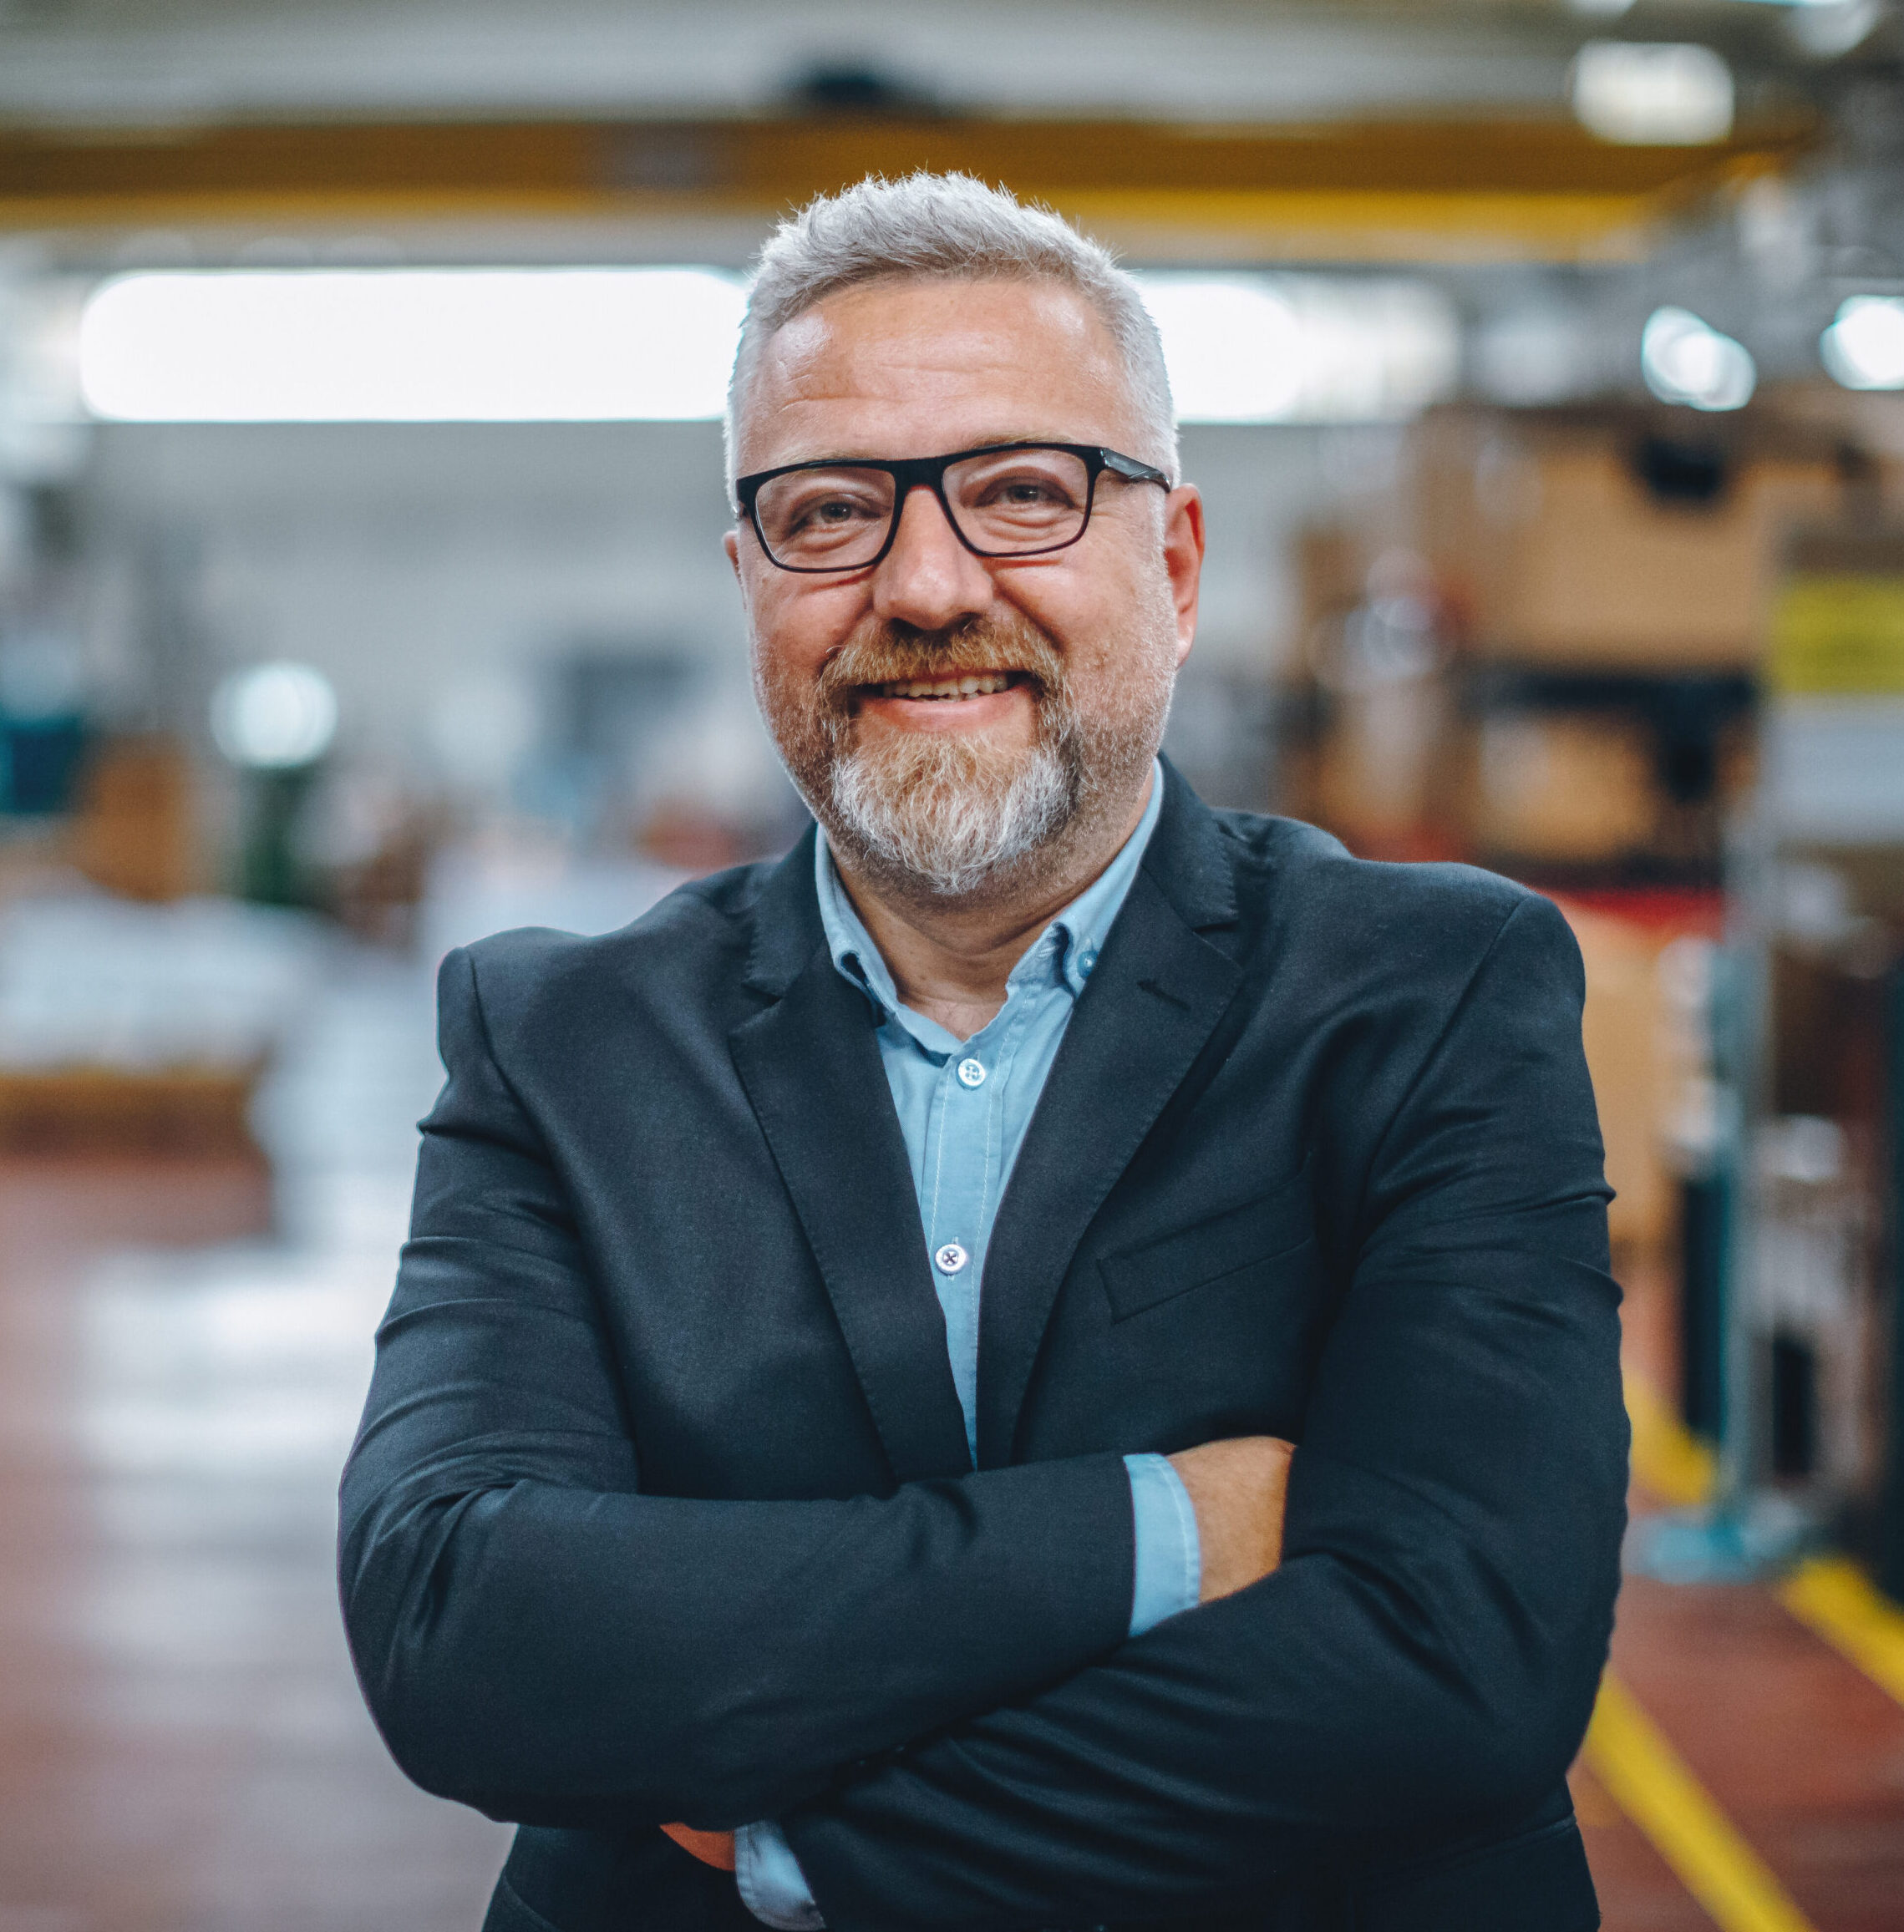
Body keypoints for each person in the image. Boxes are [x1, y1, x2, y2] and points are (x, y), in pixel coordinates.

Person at [340, 173, 1627, 1932]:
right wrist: (1164, 1528)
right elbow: (458, 1630)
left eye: (1021, 492)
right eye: (829, 511)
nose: (926, 582)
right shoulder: (559, 1042)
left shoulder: (1428, 991)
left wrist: (800, 1839)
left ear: (1170, 558)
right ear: (750, 579)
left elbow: (1457, 1654)